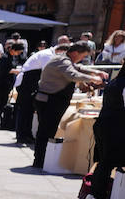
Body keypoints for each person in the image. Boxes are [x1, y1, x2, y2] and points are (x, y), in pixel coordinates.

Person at [31, 41, 106, 169]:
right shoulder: (62, 61)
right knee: (46, 131)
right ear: (76, 53)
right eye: (82, 56)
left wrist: (95, 71)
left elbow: (78, 68)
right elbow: (73, 74)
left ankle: (41, 159)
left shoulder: (65, 60)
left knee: (48, 130)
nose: (82, 59)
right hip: (49, 101)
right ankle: (39, 160)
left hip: (52, 100)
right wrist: (93, 79)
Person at [86, 64, 124, 199]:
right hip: (115, 127)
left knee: (103, 160)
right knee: (108, 161)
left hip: (105, 124)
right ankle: (99, 196)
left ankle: (94, 193)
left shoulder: (115, 82)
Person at [0, 40, 25, 129]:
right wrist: (15, 71)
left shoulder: (12, 57)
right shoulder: (5, 57)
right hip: (2, 83)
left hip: (9, 83)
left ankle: (1, 119)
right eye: (18, 52)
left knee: (4, 101)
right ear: (14, 49)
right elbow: (3, 71)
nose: (19, 54)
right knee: (1, 101)